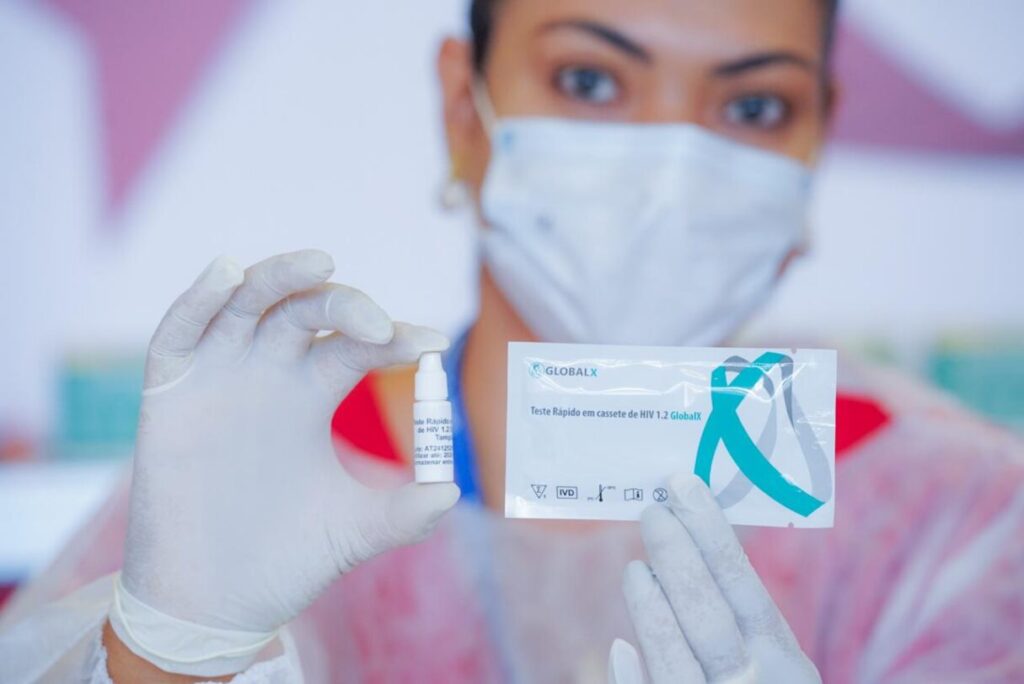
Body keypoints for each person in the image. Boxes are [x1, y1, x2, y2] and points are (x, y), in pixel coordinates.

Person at [2, 0, 1023, 681]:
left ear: (816, 139)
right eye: (589, 81)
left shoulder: (959, 515)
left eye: (754, 105)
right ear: (464, 107)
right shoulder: (264, 481)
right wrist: (168, 657)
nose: (669, 167)